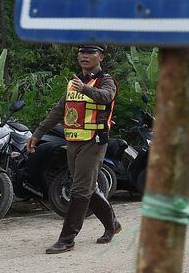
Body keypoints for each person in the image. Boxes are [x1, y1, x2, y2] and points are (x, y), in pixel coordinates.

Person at [26, 45, 121, 254]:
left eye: (91, 53)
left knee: (79, 189)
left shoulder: (106, 80)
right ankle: (112, 224)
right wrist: (38, 133)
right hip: (73, 141)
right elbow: (59, 110)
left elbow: (106, 96)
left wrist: (85, 89)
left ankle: (67, 239)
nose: (85, 56)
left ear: (101, 56)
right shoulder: (73, 83)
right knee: (87, 186)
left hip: (94, 141)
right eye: (82, 53)